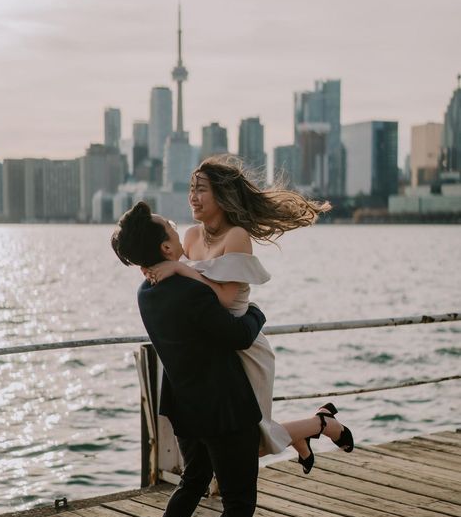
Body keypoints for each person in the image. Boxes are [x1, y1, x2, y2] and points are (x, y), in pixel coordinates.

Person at [146, 155, 354, 474]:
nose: (192, 196)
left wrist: (179, 268)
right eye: (190, 188)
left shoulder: (237, 237)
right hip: (219, 351)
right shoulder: (189, 237)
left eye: (200, 189)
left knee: (246, 444)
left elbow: (226, 298)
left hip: (247, 348)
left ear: (221, 195)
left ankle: (320, 424)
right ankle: (313, 428)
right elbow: (186, 295)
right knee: (243, 443)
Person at [111, 201, 267, 517]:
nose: (174, 223)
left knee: (193, 482)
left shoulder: (146, 292)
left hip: (185, 406)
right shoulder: (191, 292)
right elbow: (239, 335)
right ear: (166, 247)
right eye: (168, 224)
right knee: (239, 502)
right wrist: (257, 312)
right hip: (222, 411)